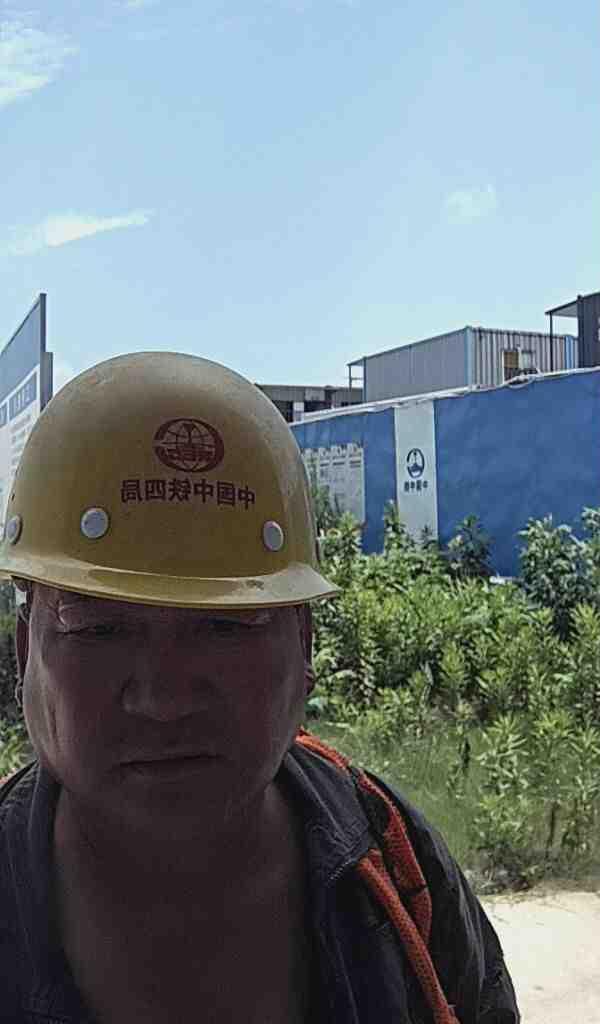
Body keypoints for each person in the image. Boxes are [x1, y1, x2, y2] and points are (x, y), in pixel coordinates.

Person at [0, 352, 520, 1023]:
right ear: (26, 651)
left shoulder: (393, 865)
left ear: (305, 646)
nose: (165, 698)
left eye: (226, 626)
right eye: (100, 629)